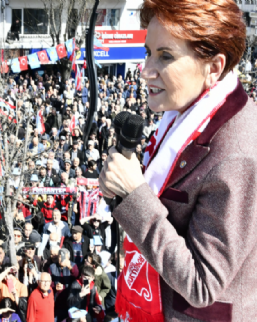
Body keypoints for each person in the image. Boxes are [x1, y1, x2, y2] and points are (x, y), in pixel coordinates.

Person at [98, 0, 253, 320]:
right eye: (147, 52)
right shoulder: (186, 114)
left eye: (165, 56)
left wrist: (134, 193)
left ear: (213, 67)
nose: (145, 71)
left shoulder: (237, 153)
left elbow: (202, 285)